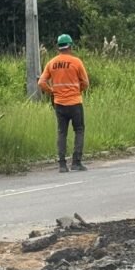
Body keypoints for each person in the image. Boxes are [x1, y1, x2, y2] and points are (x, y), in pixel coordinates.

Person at [38, 33, 89, 172]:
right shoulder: (76, 62)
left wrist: (52, 91)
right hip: (75, 102)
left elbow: (41, 82)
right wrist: (78, 90)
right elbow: (85, 82)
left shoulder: (52, 63)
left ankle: (62, 165)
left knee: (62, 132)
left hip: (59, 103)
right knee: (79, 130)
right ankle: (76, 162)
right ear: (70, 46)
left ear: (58, 47)